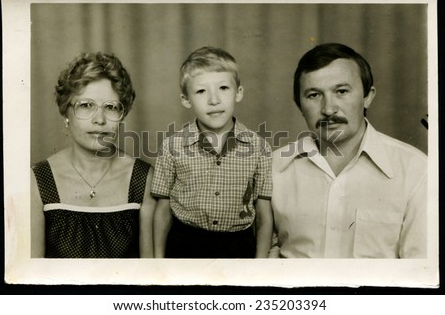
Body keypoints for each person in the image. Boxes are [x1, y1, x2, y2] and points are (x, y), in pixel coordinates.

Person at [271, 43, 427, 258]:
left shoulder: (416, 169)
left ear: (368, 96)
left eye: (341, 91)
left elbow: (421, 274)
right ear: (299, 105)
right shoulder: (272, 167)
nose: (328, 109)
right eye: (314, 95)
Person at [151, 46, 273, 258]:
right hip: (184, 245)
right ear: (186, 99)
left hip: (238, 247)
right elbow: (163, 210)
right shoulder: (172, 147)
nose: (214, 100)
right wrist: (158, 262)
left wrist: (260, 265)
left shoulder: (259, 148)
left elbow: (263, 214)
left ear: (239, 92)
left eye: (224, 88)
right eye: (201, 91)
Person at [31, 52, 156, 258]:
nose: (99, 119)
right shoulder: (38, 180)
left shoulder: (142, 178)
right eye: (86, 105)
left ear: (122, 115)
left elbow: (151, 275)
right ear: (65, 112)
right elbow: (29, 278)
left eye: (111, 107)